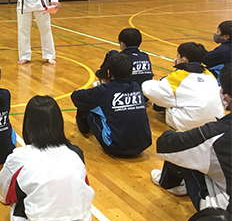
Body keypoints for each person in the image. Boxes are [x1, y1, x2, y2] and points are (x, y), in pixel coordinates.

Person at [0, 96, 94, 221]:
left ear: (28, 125)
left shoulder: (20, 157)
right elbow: (84, 186)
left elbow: (4, 194)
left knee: (19, 199)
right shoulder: (76, 153)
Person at [152, 63, 231, 212]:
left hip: (223, 214)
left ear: (226, 97)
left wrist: (176, 132)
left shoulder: (218, 133)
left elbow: (166, 145)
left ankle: (171, 183)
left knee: (186, 151)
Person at [71, 53, 152, 157]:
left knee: (87, 104)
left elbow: (76, 97)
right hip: (143, 144)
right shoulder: (136, 87)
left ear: (108, 73)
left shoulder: (104, 90)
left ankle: (84, 130)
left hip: (115, 146)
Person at [143, 42, 224, 132]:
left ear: (183, 60)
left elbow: (149, 90)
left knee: (164, 100)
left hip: (190, 124)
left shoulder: (179, 77)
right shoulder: (210, 75)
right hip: (215, 121)